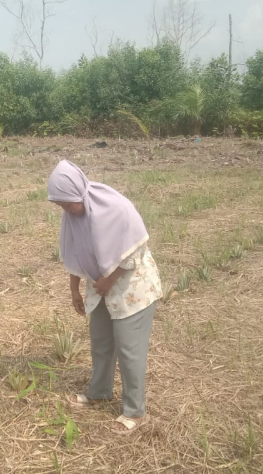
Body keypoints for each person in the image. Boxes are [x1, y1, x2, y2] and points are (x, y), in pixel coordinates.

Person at [47, 160, 162, 435]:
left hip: (131, 287)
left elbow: (136, 249)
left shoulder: (117, 208)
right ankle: (99, 393)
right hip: (100, 289)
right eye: (60, 204)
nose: (64, 210)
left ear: (78, 193)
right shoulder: (73, 215)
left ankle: (136, 411)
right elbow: (73, 251)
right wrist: (74, 289)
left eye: (66, 203)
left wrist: (109, 279)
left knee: (129, 350)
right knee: (101, 342)